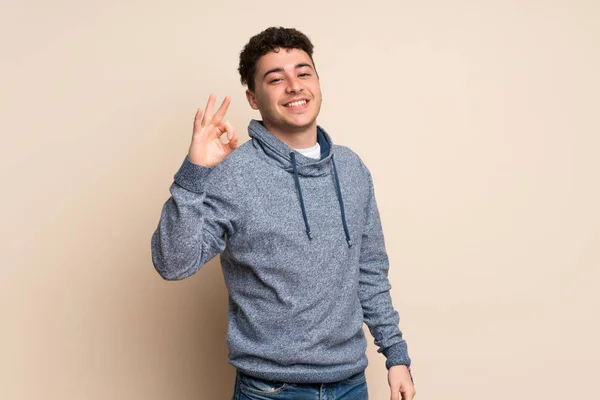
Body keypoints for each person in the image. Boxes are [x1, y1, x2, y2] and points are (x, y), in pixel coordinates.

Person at [151, 26, 416, 400]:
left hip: (351, 384)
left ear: (317, 83)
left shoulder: (352, 169)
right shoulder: (235, 174)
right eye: (276, 79)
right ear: (253, 98)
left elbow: (370, 271)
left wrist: (396, 356)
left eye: (303, 73)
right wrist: (196, 171)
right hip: (271, 390)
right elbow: (173, 263)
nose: (294, 86)